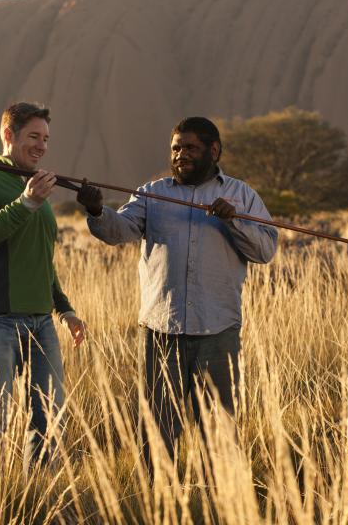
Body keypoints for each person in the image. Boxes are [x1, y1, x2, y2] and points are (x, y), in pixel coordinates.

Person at [77, 116, 277, 462]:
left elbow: (264, 251)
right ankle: (157, 503)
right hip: (161, 332)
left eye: (190, 148)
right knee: (157, 432)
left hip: (218, 331)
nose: (180, 154)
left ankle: (217, 506)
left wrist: (234, 221)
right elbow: (118, 231)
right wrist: (96, 210)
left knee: (218, 434)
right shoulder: (152, 194)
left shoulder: (241, 195)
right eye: (175, 148)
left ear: (214, 150)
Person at [0, 101, 86, 478]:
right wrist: (27, 202)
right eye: (34, 136)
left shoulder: (36, 188)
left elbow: (42, 259)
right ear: (8, 135)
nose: (42, 146)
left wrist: (64, 309)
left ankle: (39, 496)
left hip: (41, 322)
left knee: (49, 415)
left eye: (46, 139)